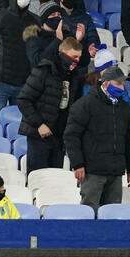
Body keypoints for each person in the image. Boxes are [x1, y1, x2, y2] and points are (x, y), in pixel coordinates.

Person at [63, 66, 130, 213]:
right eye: (118, 84)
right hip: (92, 171)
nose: (122, 88)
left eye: (123, 84)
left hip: (116, 172)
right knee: (89, 213)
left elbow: (129, 140)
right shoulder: (85, 104)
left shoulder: (124, 108)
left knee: (112, 215)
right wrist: (78, 164)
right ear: (105, 83)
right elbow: (71, 136)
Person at [17, 37, 84, 172]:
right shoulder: (44, 70)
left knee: (55, 179)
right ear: (62, 53)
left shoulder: (76, 76)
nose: (76, 61)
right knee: (38, 176)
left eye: (79, 57)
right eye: (74, 56)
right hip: (39, 135)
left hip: (60, 136)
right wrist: (40, 125)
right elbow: (23, 100)